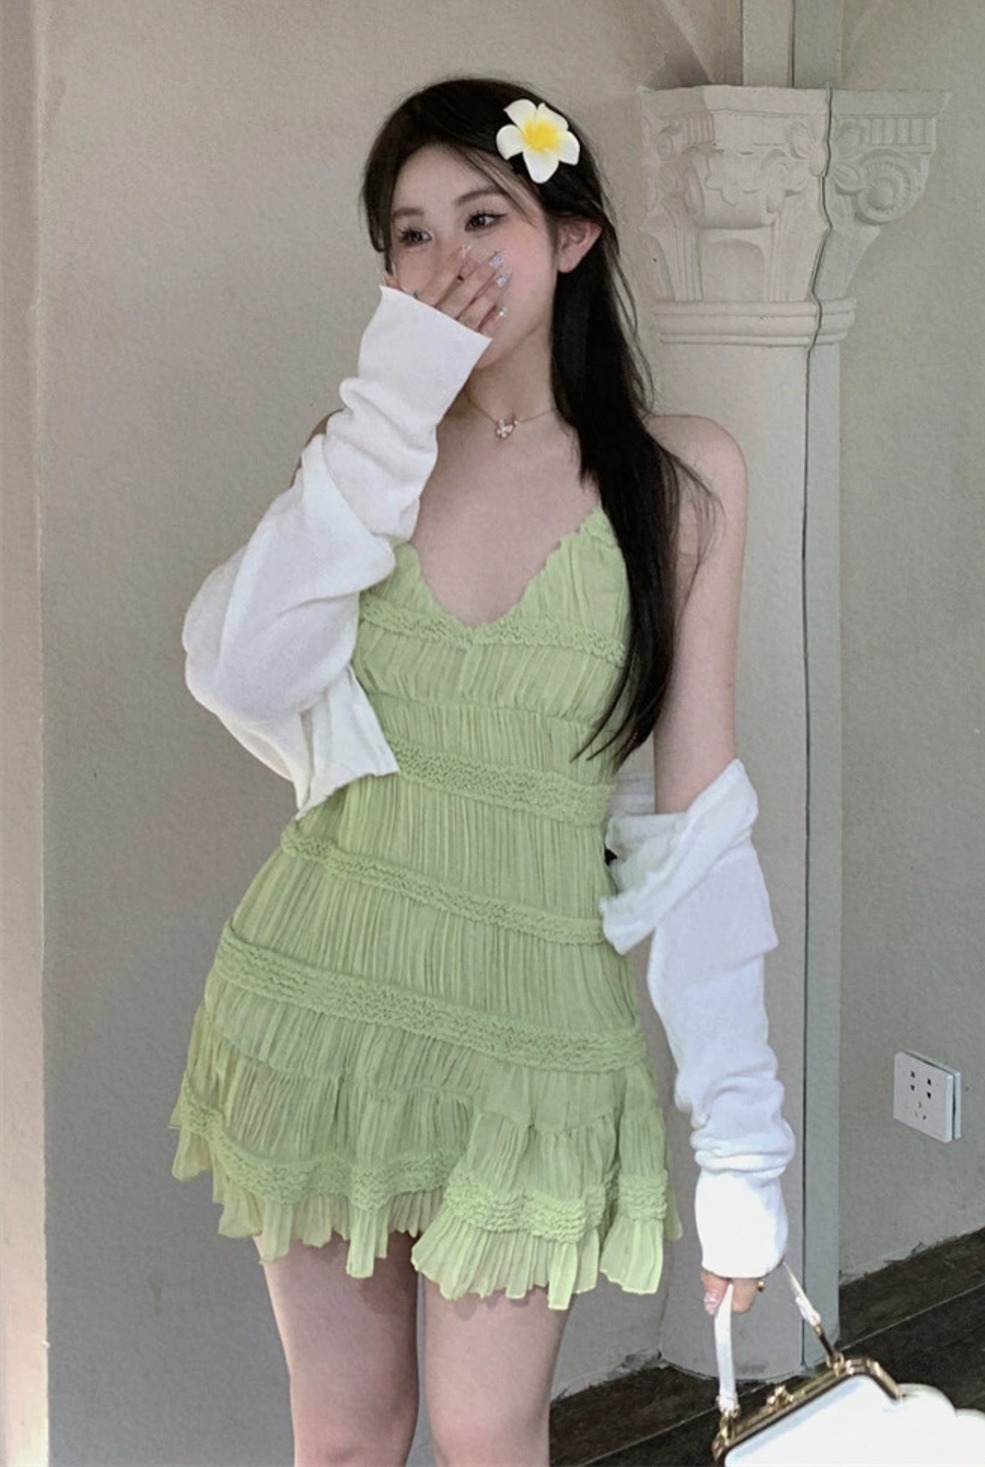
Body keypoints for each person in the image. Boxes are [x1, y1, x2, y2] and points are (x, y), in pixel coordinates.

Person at [170, 76, 794, 1467]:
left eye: (483, 217)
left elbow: (696, 823)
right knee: (345, 1435)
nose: (449, 260)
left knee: (490, 1436)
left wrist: (741, 1140)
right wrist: (389, 405)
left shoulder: (684, 480)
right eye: (411, 235)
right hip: (325, 995)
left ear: (570, 236)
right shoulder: (363, 460)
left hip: (534, 1033)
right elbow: (240, 668)